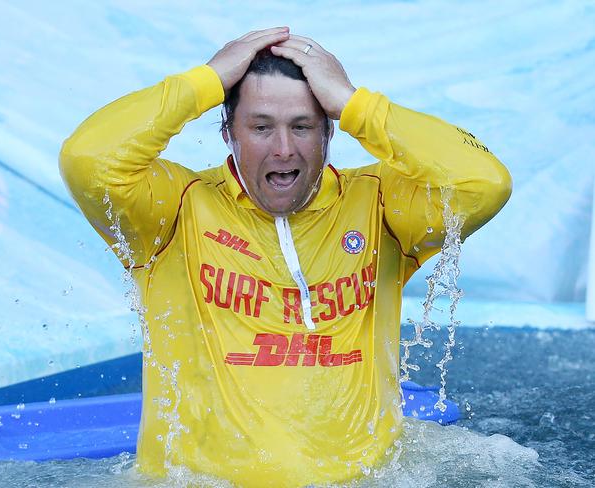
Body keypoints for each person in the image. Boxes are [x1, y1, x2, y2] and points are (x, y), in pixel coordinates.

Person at [59, 27, 511, 487]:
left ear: (328, 130)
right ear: (227, 132)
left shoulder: (379, 207)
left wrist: (356, 104)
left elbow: (484, 183)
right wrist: (206, 82)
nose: (283, 148)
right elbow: (88, 159)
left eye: (302, 126)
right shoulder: (171, 211)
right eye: (260, 127)